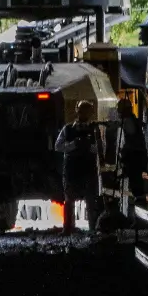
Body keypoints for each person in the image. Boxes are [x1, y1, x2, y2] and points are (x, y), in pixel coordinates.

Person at [55, 100, 103, 233]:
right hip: (72, 169)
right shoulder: (68, 129)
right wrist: (74, 144)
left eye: (86, 111)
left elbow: (100, 148)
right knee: (69, 200)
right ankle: (68, 228)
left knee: (90, 201)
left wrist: (88, 146)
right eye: (82, 110)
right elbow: (58, 146)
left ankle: (93, 228)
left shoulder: (94, 129)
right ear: (77, 111)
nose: (84, 114)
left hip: (88, 169)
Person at [115, 98, 148, 213]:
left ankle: (139, 210)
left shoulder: (128, 121)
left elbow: (131, 140)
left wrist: (124, 153)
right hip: (137, 158)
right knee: (137, 185)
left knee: (137, 186)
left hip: (135, 159)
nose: (118, 112)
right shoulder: (133, 120)